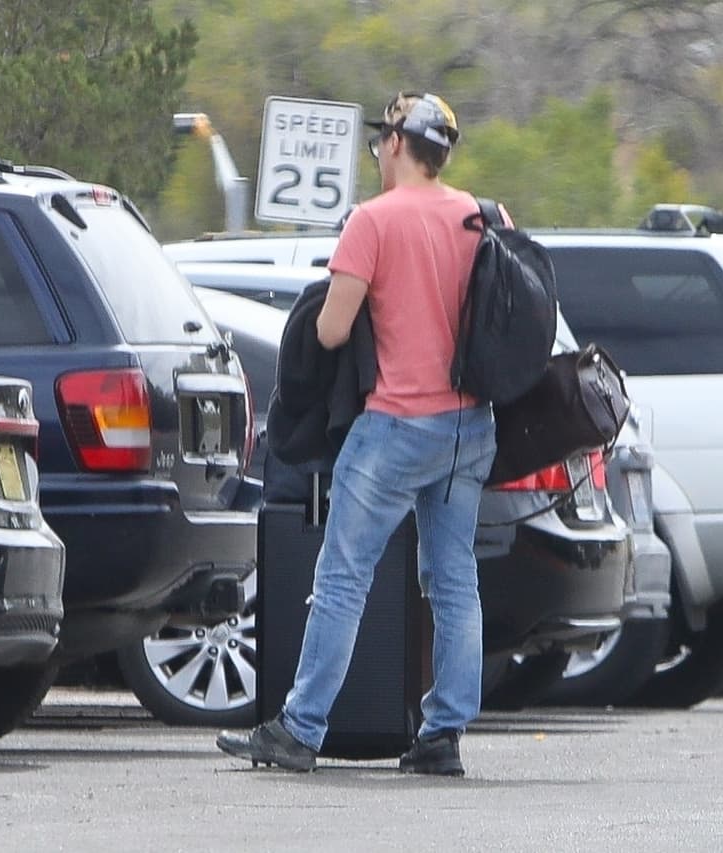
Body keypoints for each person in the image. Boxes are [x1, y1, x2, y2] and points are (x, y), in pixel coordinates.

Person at [216, 92, 498, 776]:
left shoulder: (372, 222)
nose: (378, 153)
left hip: (397, 425)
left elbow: (332, 328)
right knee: (454, 578)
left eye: (381, 142)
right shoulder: (481, 216)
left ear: (399, 143)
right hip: (470, 427)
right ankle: (443, 735)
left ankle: (300, 726)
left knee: (343, 576)